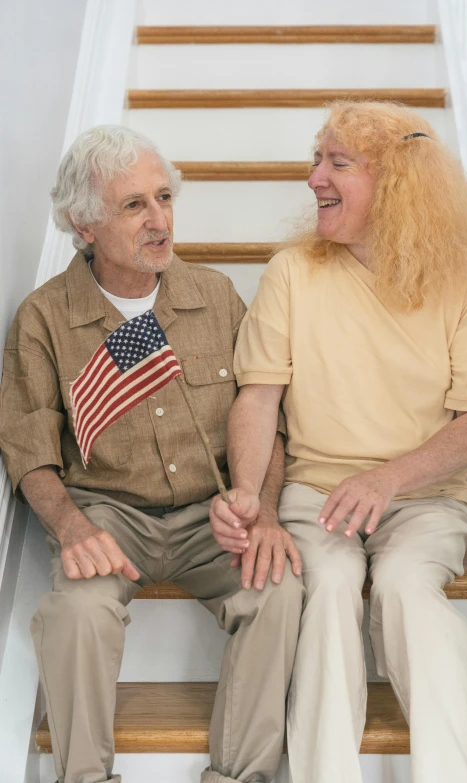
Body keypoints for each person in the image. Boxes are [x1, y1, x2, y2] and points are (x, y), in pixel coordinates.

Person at [210, 101, 467, 783]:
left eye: (338, 163)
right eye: (317, 158)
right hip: (315, 495)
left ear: (397, 184)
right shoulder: (294, 271)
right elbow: (258, 399)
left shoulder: (465, 280)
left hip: (424, 498)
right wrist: (252, 502)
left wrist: (388, 480)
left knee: (409, 590)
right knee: (327, 587)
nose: (315, 176)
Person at [0, 125, 304, 783]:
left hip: (212, 513)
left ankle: (238, 776)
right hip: (107, 514)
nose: (160, 219)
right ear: (85, 224)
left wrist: (266, 510)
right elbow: (28, 449)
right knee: (76, 610)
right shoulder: (43, 317)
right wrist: (71, 525)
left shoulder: (216, 297)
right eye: (134, 204)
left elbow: (266, 415)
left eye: (164, 197)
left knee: (277, 587)